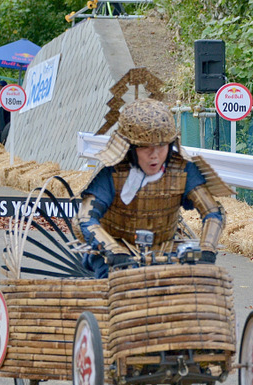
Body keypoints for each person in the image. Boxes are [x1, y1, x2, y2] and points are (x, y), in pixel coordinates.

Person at [72, 98, 230, 278]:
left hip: (166, 251)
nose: (154, 155)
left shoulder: (183, 170)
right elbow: (85, 217)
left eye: (162, 146)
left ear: (171, 145)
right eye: (145, 147)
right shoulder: (111, 175)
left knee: (196, 286)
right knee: (117, 286)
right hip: (114, 255)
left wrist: (207, 249)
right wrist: (112, 250)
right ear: (130, 148)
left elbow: (212, 211)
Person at [0, 80, 11, 145]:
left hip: (6, 123)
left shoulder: (9, 98)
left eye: (1, 87)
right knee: (1, 143)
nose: (0, 89)